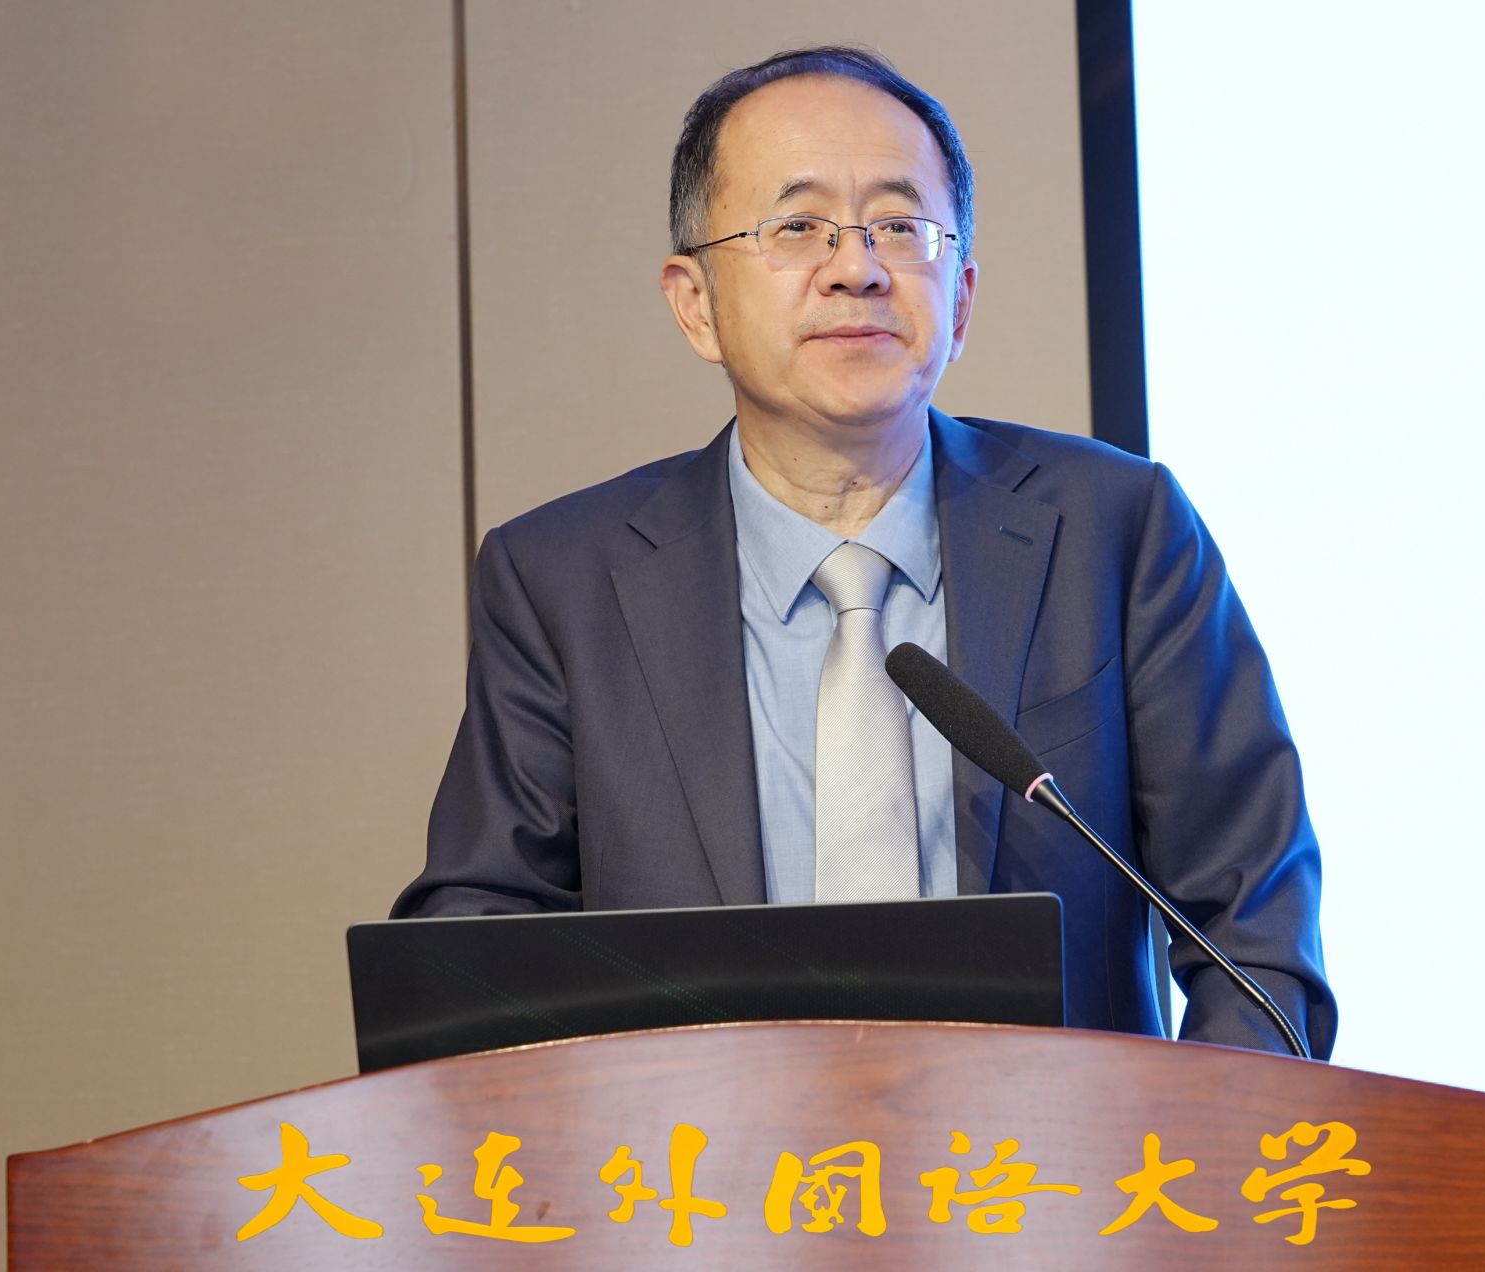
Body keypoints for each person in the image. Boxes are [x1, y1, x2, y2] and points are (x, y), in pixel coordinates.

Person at [391, 46, 1335, 1056]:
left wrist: (1197, 1146)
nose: (858, 268)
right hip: (697, 1157)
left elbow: (1254, 932)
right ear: (695, 303)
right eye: (797, 227)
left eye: (898, 225)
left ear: (959, 299)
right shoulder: (562, 582)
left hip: (1054, 1155)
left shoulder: (1117, 530)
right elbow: (477, 948)